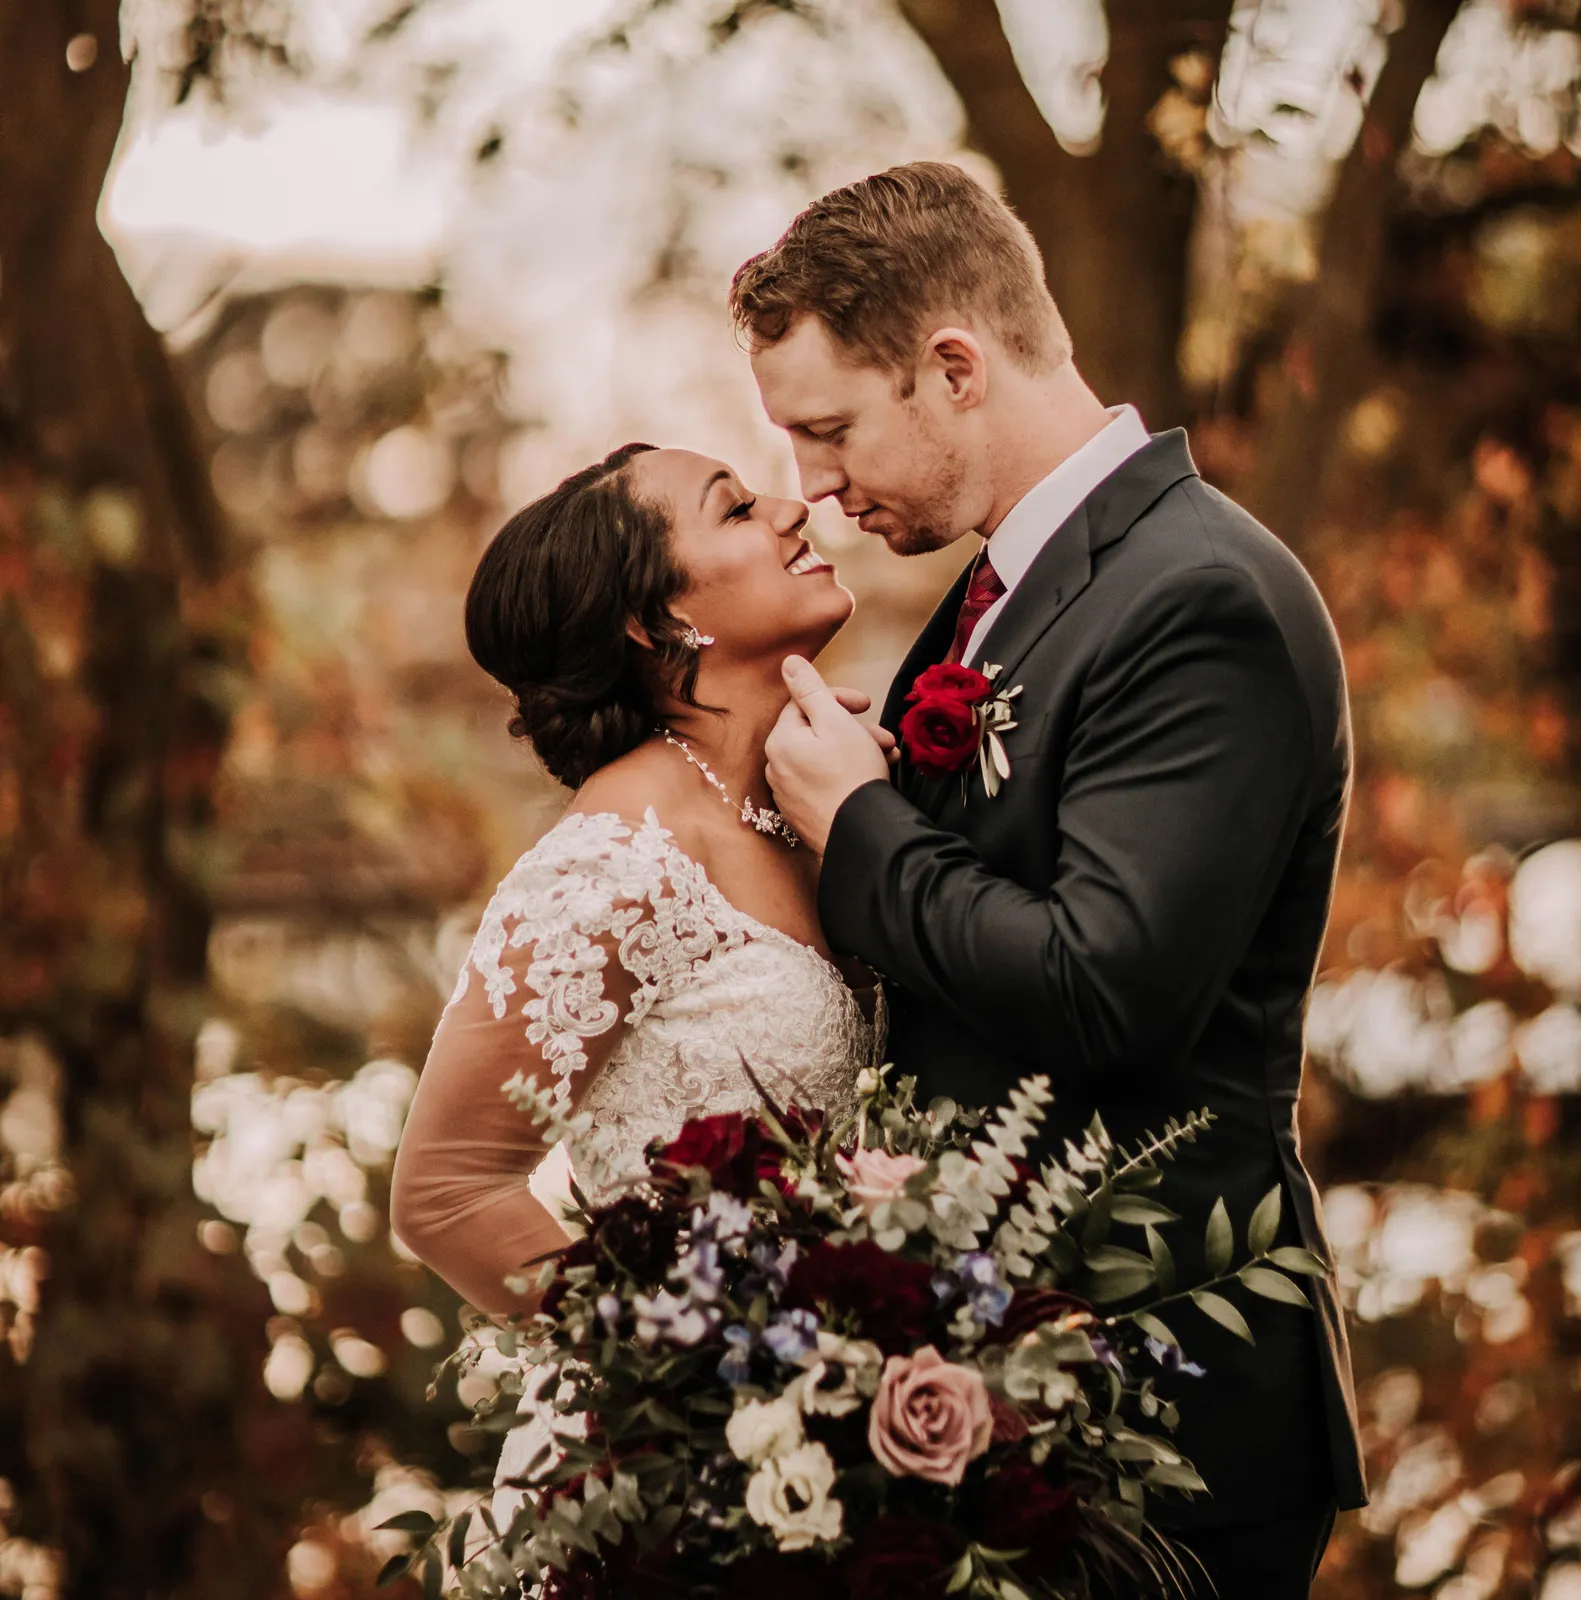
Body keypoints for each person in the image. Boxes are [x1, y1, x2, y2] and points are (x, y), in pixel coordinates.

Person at [745, 162, 1368, 1599]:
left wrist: (863, 829)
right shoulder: (1006, 588)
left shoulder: (1198, 594)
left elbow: (1107, 987)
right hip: (1015, 1390)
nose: (813, 489)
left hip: (1170, 1406)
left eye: (829, 431)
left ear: (955, 367)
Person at [389, 443, 883, 1491]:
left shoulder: (817, 805)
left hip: (860, 1439)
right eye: (739, 508)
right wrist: (687, 1384)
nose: (795, 509)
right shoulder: (616, 860)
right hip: (688, 1483)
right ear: (653, 621)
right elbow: (443, 1191)